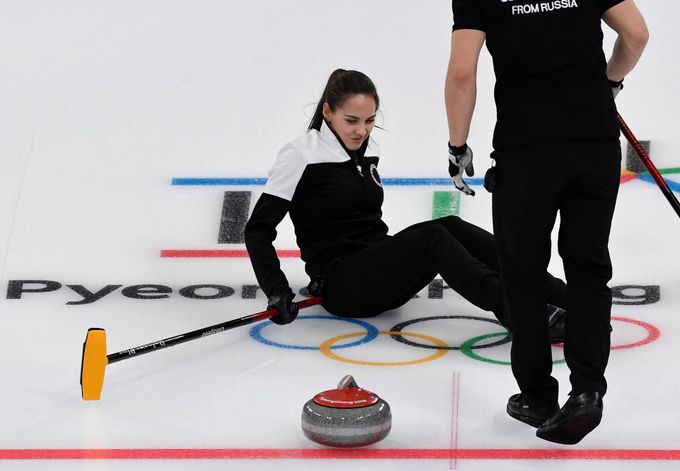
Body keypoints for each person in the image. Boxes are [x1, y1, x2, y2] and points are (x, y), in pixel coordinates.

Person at [445, 0, 648, 444]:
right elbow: (635, 34)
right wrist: (609, 81)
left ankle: (537, 395)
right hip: (592, 144)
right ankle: (588, 391)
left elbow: (463, 73)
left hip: (527, 152)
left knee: (523, 274)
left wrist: (457, 147)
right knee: (589, 268)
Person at [244, 68, 568, 343]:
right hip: (342, 284)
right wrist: (276, 289)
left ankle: (559, 293)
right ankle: (522, 312)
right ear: (327, 112)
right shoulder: (300, 155)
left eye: (370, 120)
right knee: (433, 239)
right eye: (352, 120)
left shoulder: (367, 151)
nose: (362, 130)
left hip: (379, 272)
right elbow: (257, 230)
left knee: (449, 225)